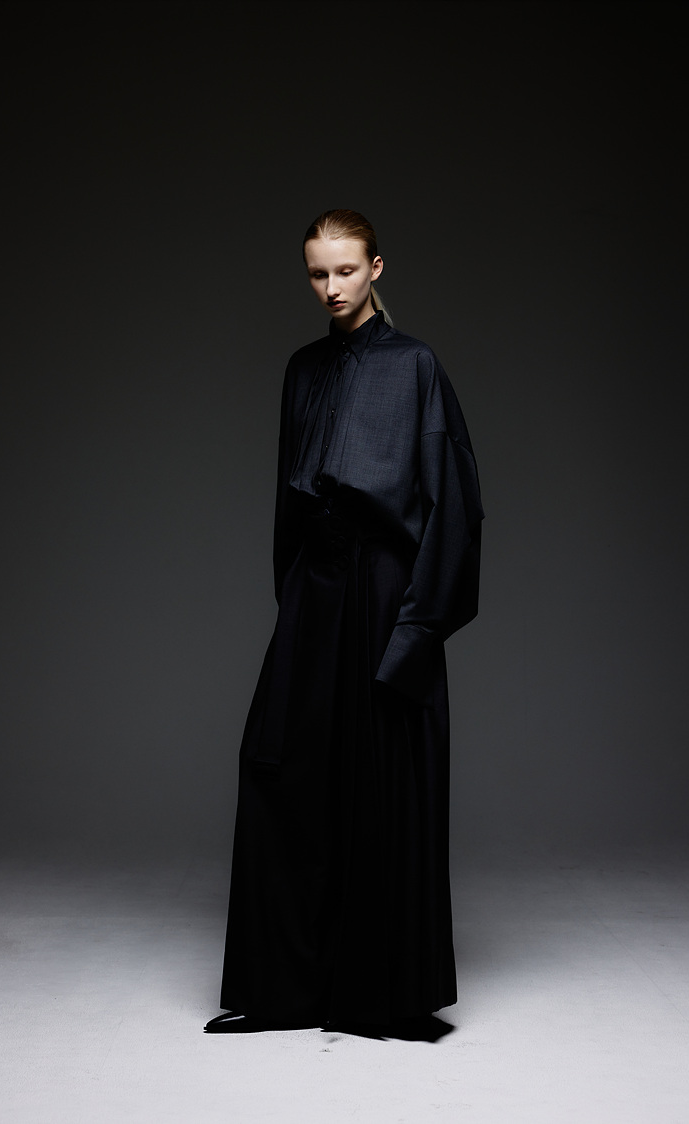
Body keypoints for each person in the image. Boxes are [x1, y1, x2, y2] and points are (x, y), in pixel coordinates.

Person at [206, 209, 483, 1033]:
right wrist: (295, 600)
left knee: (383, 775)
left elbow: (455, 506)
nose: (331, 287)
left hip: (389, 590)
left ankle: (383, 995)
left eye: (346, 270)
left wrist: (417, 629)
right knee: (281, 767)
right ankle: (283, 990)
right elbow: (284, 501)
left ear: (376, 269)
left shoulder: (415, 364)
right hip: (317, 587)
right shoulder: (303, 369)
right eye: (318, 273)